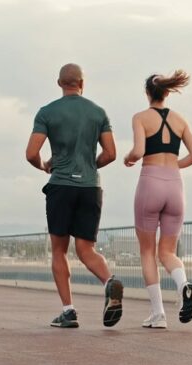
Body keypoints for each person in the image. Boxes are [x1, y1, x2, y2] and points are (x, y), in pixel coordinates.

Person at [25, 63, 124, 329]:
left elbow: (31, 153)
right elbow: (111, 153)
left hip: (61, 186)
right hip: (90, 187)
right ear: (82, 83)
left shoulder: (47, 113)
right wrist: (91, 166)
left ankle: (68, 311)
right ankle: (109, 282)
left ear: (60, 83)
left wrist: (45, 165)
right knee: (86, 249)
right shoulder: (98, 112)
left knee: (59, 250)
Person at [123, 70, 192, 329]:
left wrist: (129, 158)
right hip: (175, 185)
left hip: (150, 182)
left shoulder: (140, 118)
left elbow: (139, 150)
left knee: (147, 251)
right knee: (167, 251)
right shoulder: (180, 120)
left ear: (148, 93)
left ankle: (158, 314)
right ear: (167, 92)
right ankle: (182, 285)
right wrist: (171, 166)